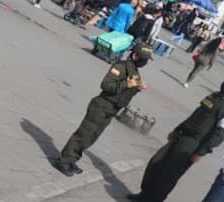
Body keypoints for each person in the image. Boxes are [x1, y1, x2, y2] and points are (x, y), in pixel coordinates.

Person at [128, 73, 224, 202]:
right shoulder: (215, 96)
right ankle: (145, 194)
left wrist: (201, 152)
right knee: (156, 162)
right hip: (183, 134)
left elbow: (220, 134)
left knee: (168, 174)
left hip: (193, 144)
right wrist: (178, 129)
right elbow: (195, 115)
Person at [51, 44, 151, 177]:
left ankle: (72, 159)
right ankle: (63, 160)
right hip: (102, 105)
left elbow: (126, 93)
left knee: (91, 138)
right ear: (135, 55)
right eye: (143, 59)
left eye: (146, 60)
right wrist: (126, 84)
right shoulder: (120, 67)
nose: (144, 62)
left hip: (112, 109)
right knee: (83, 134)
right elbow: (106, 85)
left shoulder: (135, 72)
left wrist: (137, 88)